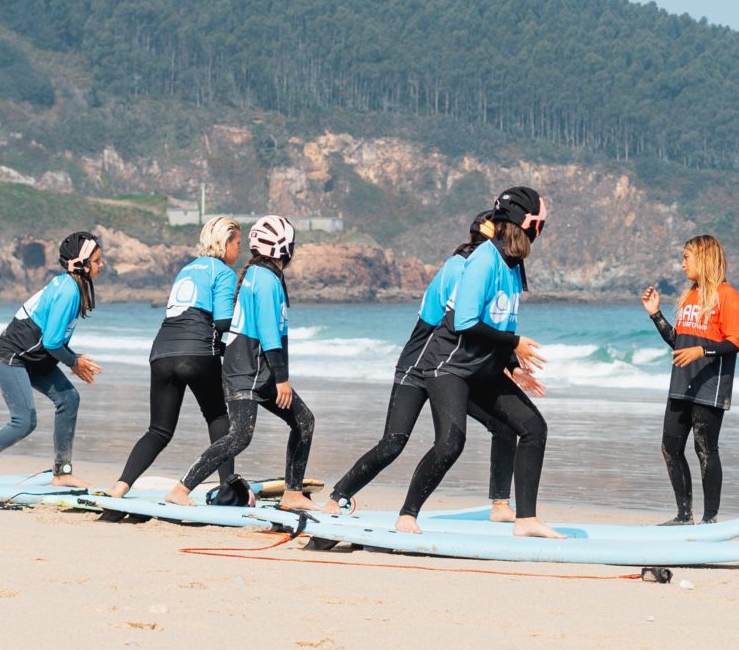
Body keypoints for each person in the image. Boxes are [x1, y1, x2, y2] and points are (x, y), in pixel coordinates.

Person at [328, 211, 520, 516]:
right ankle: (338, 496)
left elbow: (493, 325)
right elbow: (454, 325)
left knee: (505, 427)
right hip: (419, 366)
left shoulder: (490, 270)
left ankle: (500, 504)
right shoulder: (461, 268)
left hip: (454, 372)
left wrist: (510, 360)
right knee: (393, 442)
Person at [396, 187, 558, 537]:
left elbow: (499, 324)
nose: (541, 231)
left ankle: (526, 520)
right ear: (526, 224)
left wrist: (514, 366)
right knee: (451, 443)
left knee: (534, 429)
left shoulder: (514, 265)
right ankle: (408, 513)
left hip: (483, 370)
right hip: (449, 367)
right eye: (540, 223)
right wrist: (515, 342)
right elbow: (465, 322)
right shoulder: (485, 260)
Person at [166, 216, 316, 512]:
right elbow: (269, 332)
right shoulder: (264, 278)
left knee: (303, 421)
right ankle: (181, 488)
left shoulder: (263, 275)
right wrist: (282, 379)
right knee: (240, 436)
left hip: (256, 371)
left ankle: (293, 493)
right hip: (248, 372)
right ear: (284, 248)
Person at [106, 215, 241, 496]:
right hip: (197, 353)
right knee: (218, 417)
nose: (240, 250)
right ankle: (227, 487)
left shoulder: (188, 269)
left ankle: (120, 486)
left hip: (161, 352)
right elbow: (223, 323)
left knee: (159, 430)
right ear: (225, 242)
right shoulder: (224, 272)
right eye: (237, 243)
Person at [0, 232, 105, 485]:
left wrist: (73, 359)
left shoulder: (70, 286)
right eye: (98, 260)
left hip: (34, 358)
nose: (102, 265)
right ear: (81, 264)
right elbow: (50, 342)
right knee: (23, 421)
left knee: (69, 399)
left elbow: (50, 341)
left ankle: (62, 473)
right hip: (9, 356)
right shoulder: (68, 291)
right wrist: (73, 361)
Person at [641, 233, 739, 525]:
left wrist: (702, 350)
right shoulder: (690, 296)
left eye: (686, 257)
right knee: (669, 447)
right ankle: (683, 515)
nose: (682, 263)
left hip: (709, 386)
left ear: (703, 258)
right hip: (681, 384)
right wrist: (656, 315)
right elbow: (678, 342)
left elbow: (734, 342)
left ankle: (710, 518)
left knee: (705, 449)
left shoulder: (728, 296)